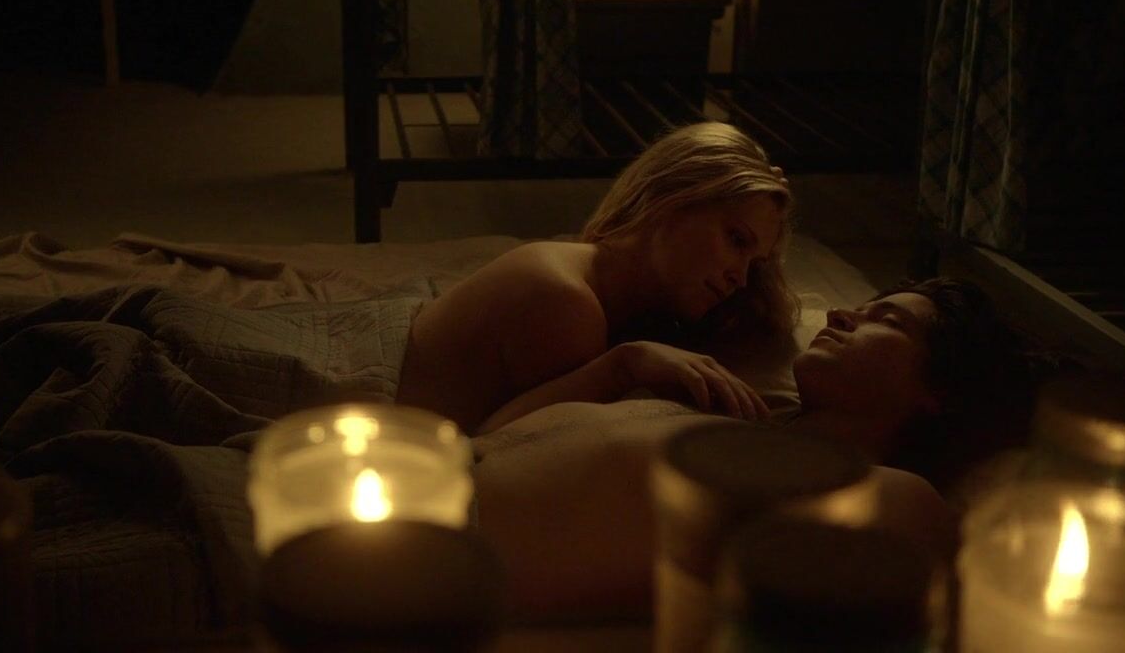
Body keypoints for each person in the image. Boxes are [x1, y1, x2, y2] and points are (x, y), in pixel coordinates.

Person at [468, 277, 1039, 622]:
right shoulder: (736, 419)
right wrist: (621, 365)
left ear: (941, 392)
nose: (840, 314)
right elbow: (493, 434)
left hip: (440, 563)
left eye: (885, 320)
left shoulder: (890, 498)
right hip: (434, 480)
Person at [396, 122, 799, 435]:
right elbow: (494, 448)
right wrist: (624, 366)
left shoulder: (594, 282)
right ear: (672, 200)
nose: (740, 278)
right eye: (736, 239)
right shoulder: (565, 303)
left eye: (754, 263)